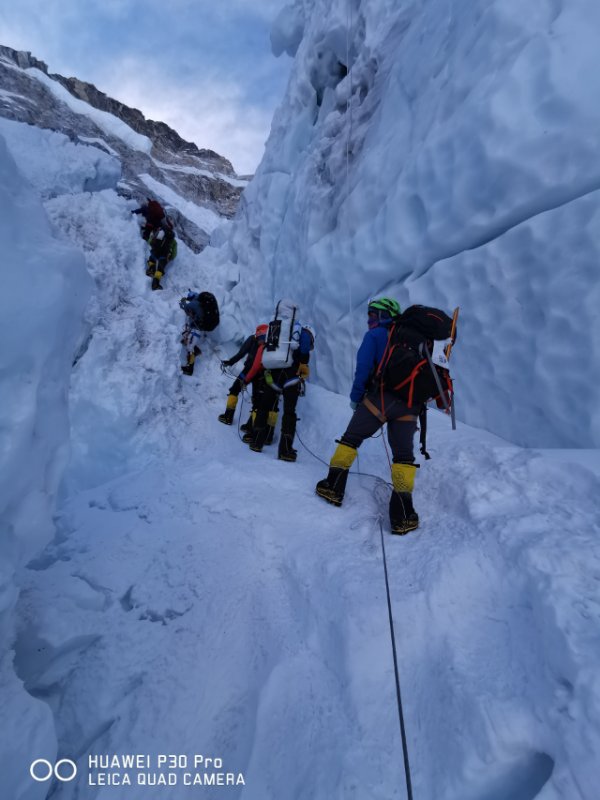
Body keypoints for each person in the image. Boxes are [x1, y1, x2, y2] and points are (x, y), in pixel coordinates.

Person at [315, 297, 422, 535]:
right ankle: (403, 516)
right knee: (404, 457)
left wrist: (356, 398)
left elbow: (363, 368)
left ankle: (332, 488)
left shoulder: (375, 336)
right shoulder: (414, 340)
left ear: (386, 316)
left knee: (351, 439)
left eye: (374, 314)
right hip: (409, 406)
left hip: (379, 400)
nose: (369, 319)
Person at [248, 311, 315, 462]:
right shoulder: (304, 333)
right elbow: (304, 347)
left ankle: (257, 441)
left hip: (273, 376)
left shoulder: (281, 335)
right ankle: (285, 450)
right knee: (289, 412)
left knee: (265, 406)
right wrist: (303, 362)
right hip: (291, 378)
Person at [218, 324, 269, 428]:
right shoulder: (271, 342)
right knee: (257, 399)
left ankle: (228, 416)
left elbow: (241, 353)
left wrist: (230, 362)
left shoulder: (253, 338)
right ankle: (251, 427)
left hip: (248, 370)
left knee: (235, 389)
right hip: (263, 373)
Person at [179, 291, 220, 375]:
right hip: (203, 326)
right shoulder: (203, 303)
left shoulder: (194, 303)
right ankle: (193, 353)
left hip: (197, 328)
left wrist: (183, 301)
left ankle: (189, 368)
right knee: (191, 344)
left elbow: (184, 307)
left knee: (190, 347)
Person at [146, 220, 177, 290]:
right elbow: (174, 251)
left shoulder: (159, 232)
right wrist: (171, 257)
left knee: (152, 259)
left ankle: (151, 269)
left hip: (154, 251)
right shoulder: (173, 239)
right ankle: (155, 284)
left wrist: (152, 245)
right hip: (164, 255)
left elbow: (150, 241)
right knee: (160, 269)